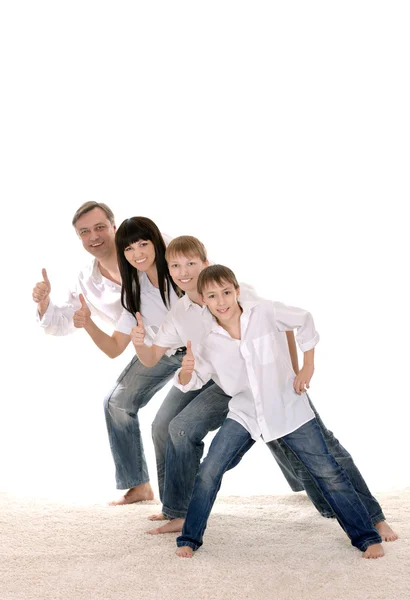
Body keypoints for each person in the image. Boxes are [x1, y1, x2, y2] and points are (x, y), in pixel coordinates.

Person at [132, 237, 398, 542]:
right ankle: (179, 513)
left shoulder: (238, 292)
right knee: (177, 427)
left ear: (206, 264)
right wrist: (140, 344)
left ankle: (372, 518)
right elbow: (152, 357)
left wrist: (295, 373)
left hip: (270, 380)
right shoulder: (179, 313)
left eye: (192, 263)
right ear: (168, 270)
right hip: (227, 387)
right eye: (176, 265)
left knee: (319, 449)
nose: (184, 271)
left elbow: (281, 324)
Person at [173, 265, 385, 559]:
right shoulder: (207, 340)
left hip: (286, 405)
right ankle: (190, 538)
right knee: (210, 470)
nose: (221, 301)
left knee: (327, 471)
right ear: (204, 301)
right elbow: (193, 380)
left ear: (236, 290)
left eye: (226, 292)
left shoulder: (265, 313)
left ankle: (366, 536)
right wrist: (185, 372)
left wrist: (307, 366)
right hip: (245, 411)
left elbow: (304, 320)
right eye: (212, 296)